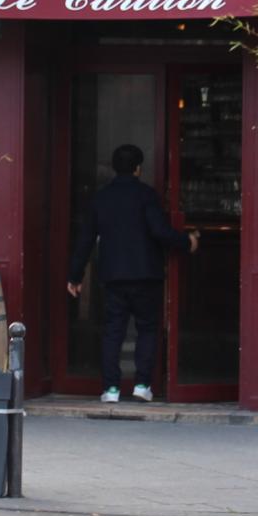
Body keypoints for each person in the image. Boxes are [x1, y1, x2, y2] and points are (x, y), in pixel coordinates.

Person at [66, 144, 198, 403]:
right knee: (147, 329)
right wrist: (187, 241)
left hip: (113, 276)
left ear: (115, 168)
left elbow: (85, 240)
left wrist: (75, 275)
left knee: (113, 331)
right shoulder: (146, 196)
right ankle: (142, 386)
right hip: (146, 274)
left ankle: (111, 389)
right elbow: (160, 231)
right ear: (138, 168)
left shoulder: (101, 198)